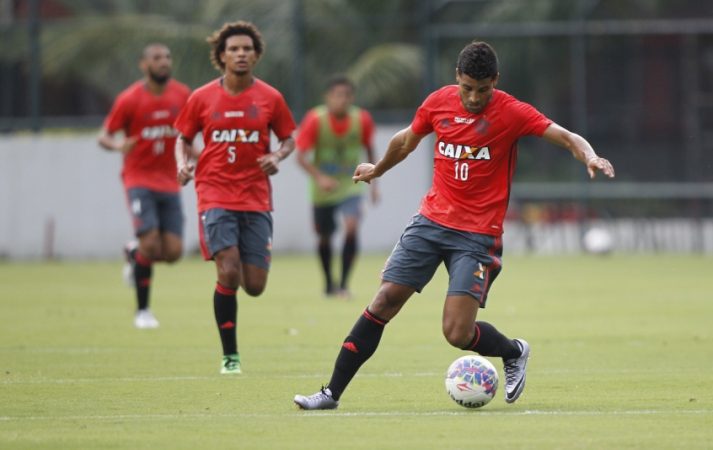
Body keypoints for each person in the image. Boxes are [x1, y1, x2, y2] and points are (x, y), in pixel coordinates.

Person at [294, 41, 615, 409]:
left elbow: (566, 137)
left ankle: (513, 352)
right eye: (467, 88)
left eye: (483, 89)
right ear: (457, 79)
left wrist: (589, 156)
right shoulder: (438, 102)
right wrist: (377, 169)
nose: (474, 97)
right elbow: (405, 141)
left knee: (457, 332)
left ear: (495, 80)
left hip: (477, 235)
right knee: (383, 301)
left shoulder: (512, 112)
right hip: (430, 222)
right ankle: (330, 393)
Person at [173, 21, 296, 375]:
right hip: (214, 192)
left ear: (256, 55)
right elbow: (182, 137)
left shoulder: (270, 98)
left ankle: (239, 278)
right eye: (233, 49)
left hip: (256, 197)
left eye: (247, 49)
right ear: (221, 56)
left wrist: (277, 156)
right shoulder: (201, 97)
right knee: (228, 271)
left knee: (254, 285)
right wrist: (183, 164)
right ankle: (230, 356)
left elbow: (289, 137)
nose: (241, 54)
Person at [98, 43, 191, 329]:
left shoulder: (182, 95)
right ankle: (143, 311)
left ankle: (133, 253)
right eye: (157, 58)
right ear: (144, 64)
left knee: (174, 252)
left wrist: (200, 155)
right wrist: (118, 145)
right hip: (139, 180)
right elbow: (104, 136)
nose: (163, 62)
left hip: (170, 182)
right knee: (150, 243)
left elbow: (187, 135)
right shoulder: (129, 99)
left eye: (167, 57)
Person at [296, 75, 379, 299]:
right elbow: (300, 157)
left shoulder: (362, 119)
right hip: (323, 188)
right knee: (325, 236)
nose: (342, 100)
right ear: (328, 97)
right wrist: (320, 178)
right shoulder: (315, 119)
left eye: (347, 95)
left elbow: (370, 149)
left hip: (352, 184)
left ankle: (343, 284)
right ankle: (329, 284)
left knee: (352, 226)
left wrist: (374, 182)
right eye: (337, 95)